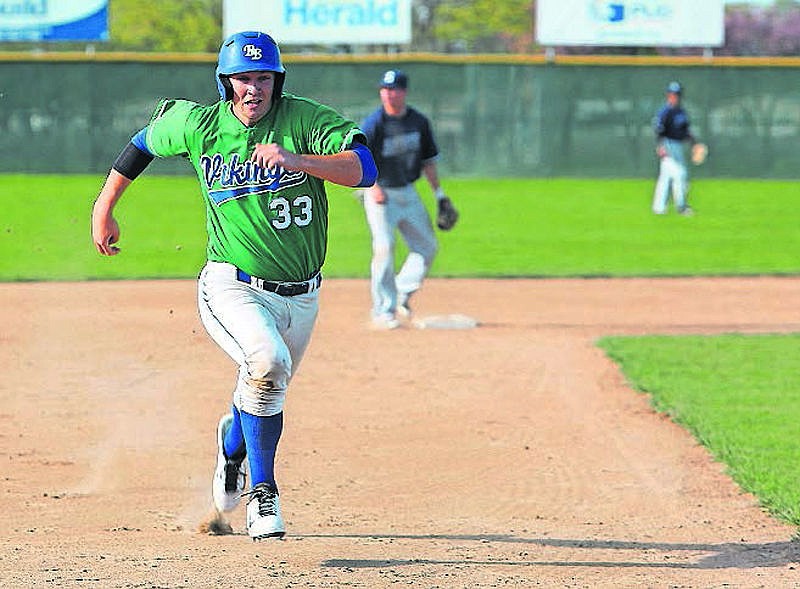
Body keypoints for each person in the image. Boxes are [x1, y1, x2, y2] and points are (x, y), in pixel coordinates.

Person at [90, 31, 376, 541]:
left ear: (277, 81)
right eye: (243, 78)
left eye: (264, 77)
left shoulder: (305, 121)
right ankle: (264, 495)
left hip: (302, 294)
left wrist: (300, 161)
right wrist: (104, 206)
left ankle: (232, 447)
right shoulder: (200, 125)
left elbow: (365, 169)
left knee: (266, 383)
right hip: (231, 284)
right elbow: (143, 143)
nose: (254, 88)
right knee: (268, 363)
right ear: (226, 82)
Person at [361, 69, 453, 329]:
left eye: (394, 89)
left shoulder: (418, 122)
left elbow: (428, 161)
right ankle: (383, 311)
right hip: (380, 193)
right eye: (385, 89)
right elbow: (359, 159)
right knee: (384, 247)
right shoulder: (374, 123)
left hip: (407, 191)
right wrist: (372, 186)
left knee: (427, 246)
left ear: (404, 92)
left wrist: (439, 194)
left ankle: (401, 291)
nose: (389, 94)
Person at [651, 81, 700, 216]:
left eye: (677, 94)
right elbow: (658, 129)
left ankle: (659, 208)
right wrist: (660, 146)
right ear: (668, 95)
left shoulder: (681, 112)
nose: (674, 96)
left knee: (666, 177)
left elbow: (686, 131)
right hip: (668, 145)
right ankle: (681, 207)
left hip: (678, 146)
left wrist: (694, 143)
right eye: (672, 94)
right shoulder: (665, 112)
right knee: (680, 174)